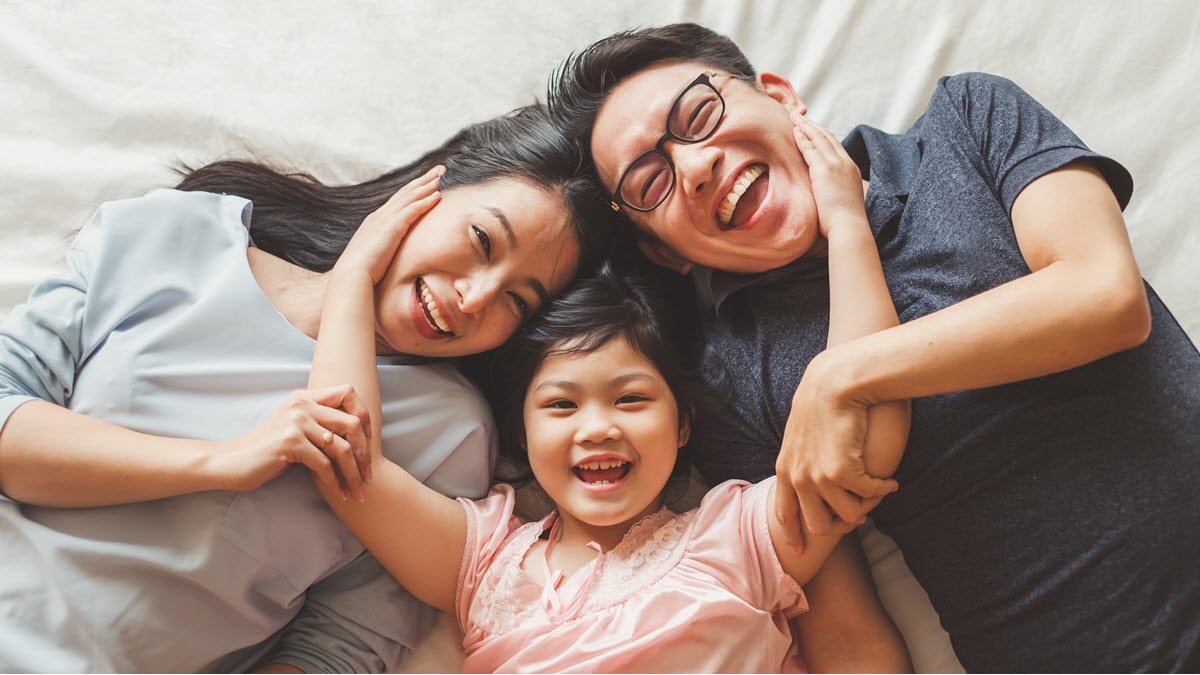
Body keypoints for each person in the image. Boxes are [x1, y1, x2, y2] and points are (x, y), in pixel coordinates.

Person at [544, 21, 1200, 672]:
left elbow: (1105, 296)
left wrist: (842, 375)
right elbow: (850, 638)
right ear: (664, 251)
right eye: (648, 184)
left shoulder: (968, 120)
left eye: (699, 113)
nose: (693, 167)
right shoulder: (731, 377)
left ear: (780, 97)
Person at [0, 104, 611, 672]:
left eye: (516, 300)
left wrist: (352, 283)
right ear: (426, 190)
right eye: (482, 241)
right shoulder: (171, 233)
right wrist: (219, 463)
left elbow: (340, 649)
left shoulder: (449, 433)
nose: (474, 298)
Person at [301, 109, 913, 672]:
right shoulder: (484, 563)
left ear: (683, 424)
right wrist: (354, 276)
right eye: (561, 404)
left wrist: (847, 227)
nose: (598, 427)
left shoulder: (737, 537)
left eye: (631, 399)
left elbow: (863, 432)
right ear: (521, 431)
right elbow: (346, 457)